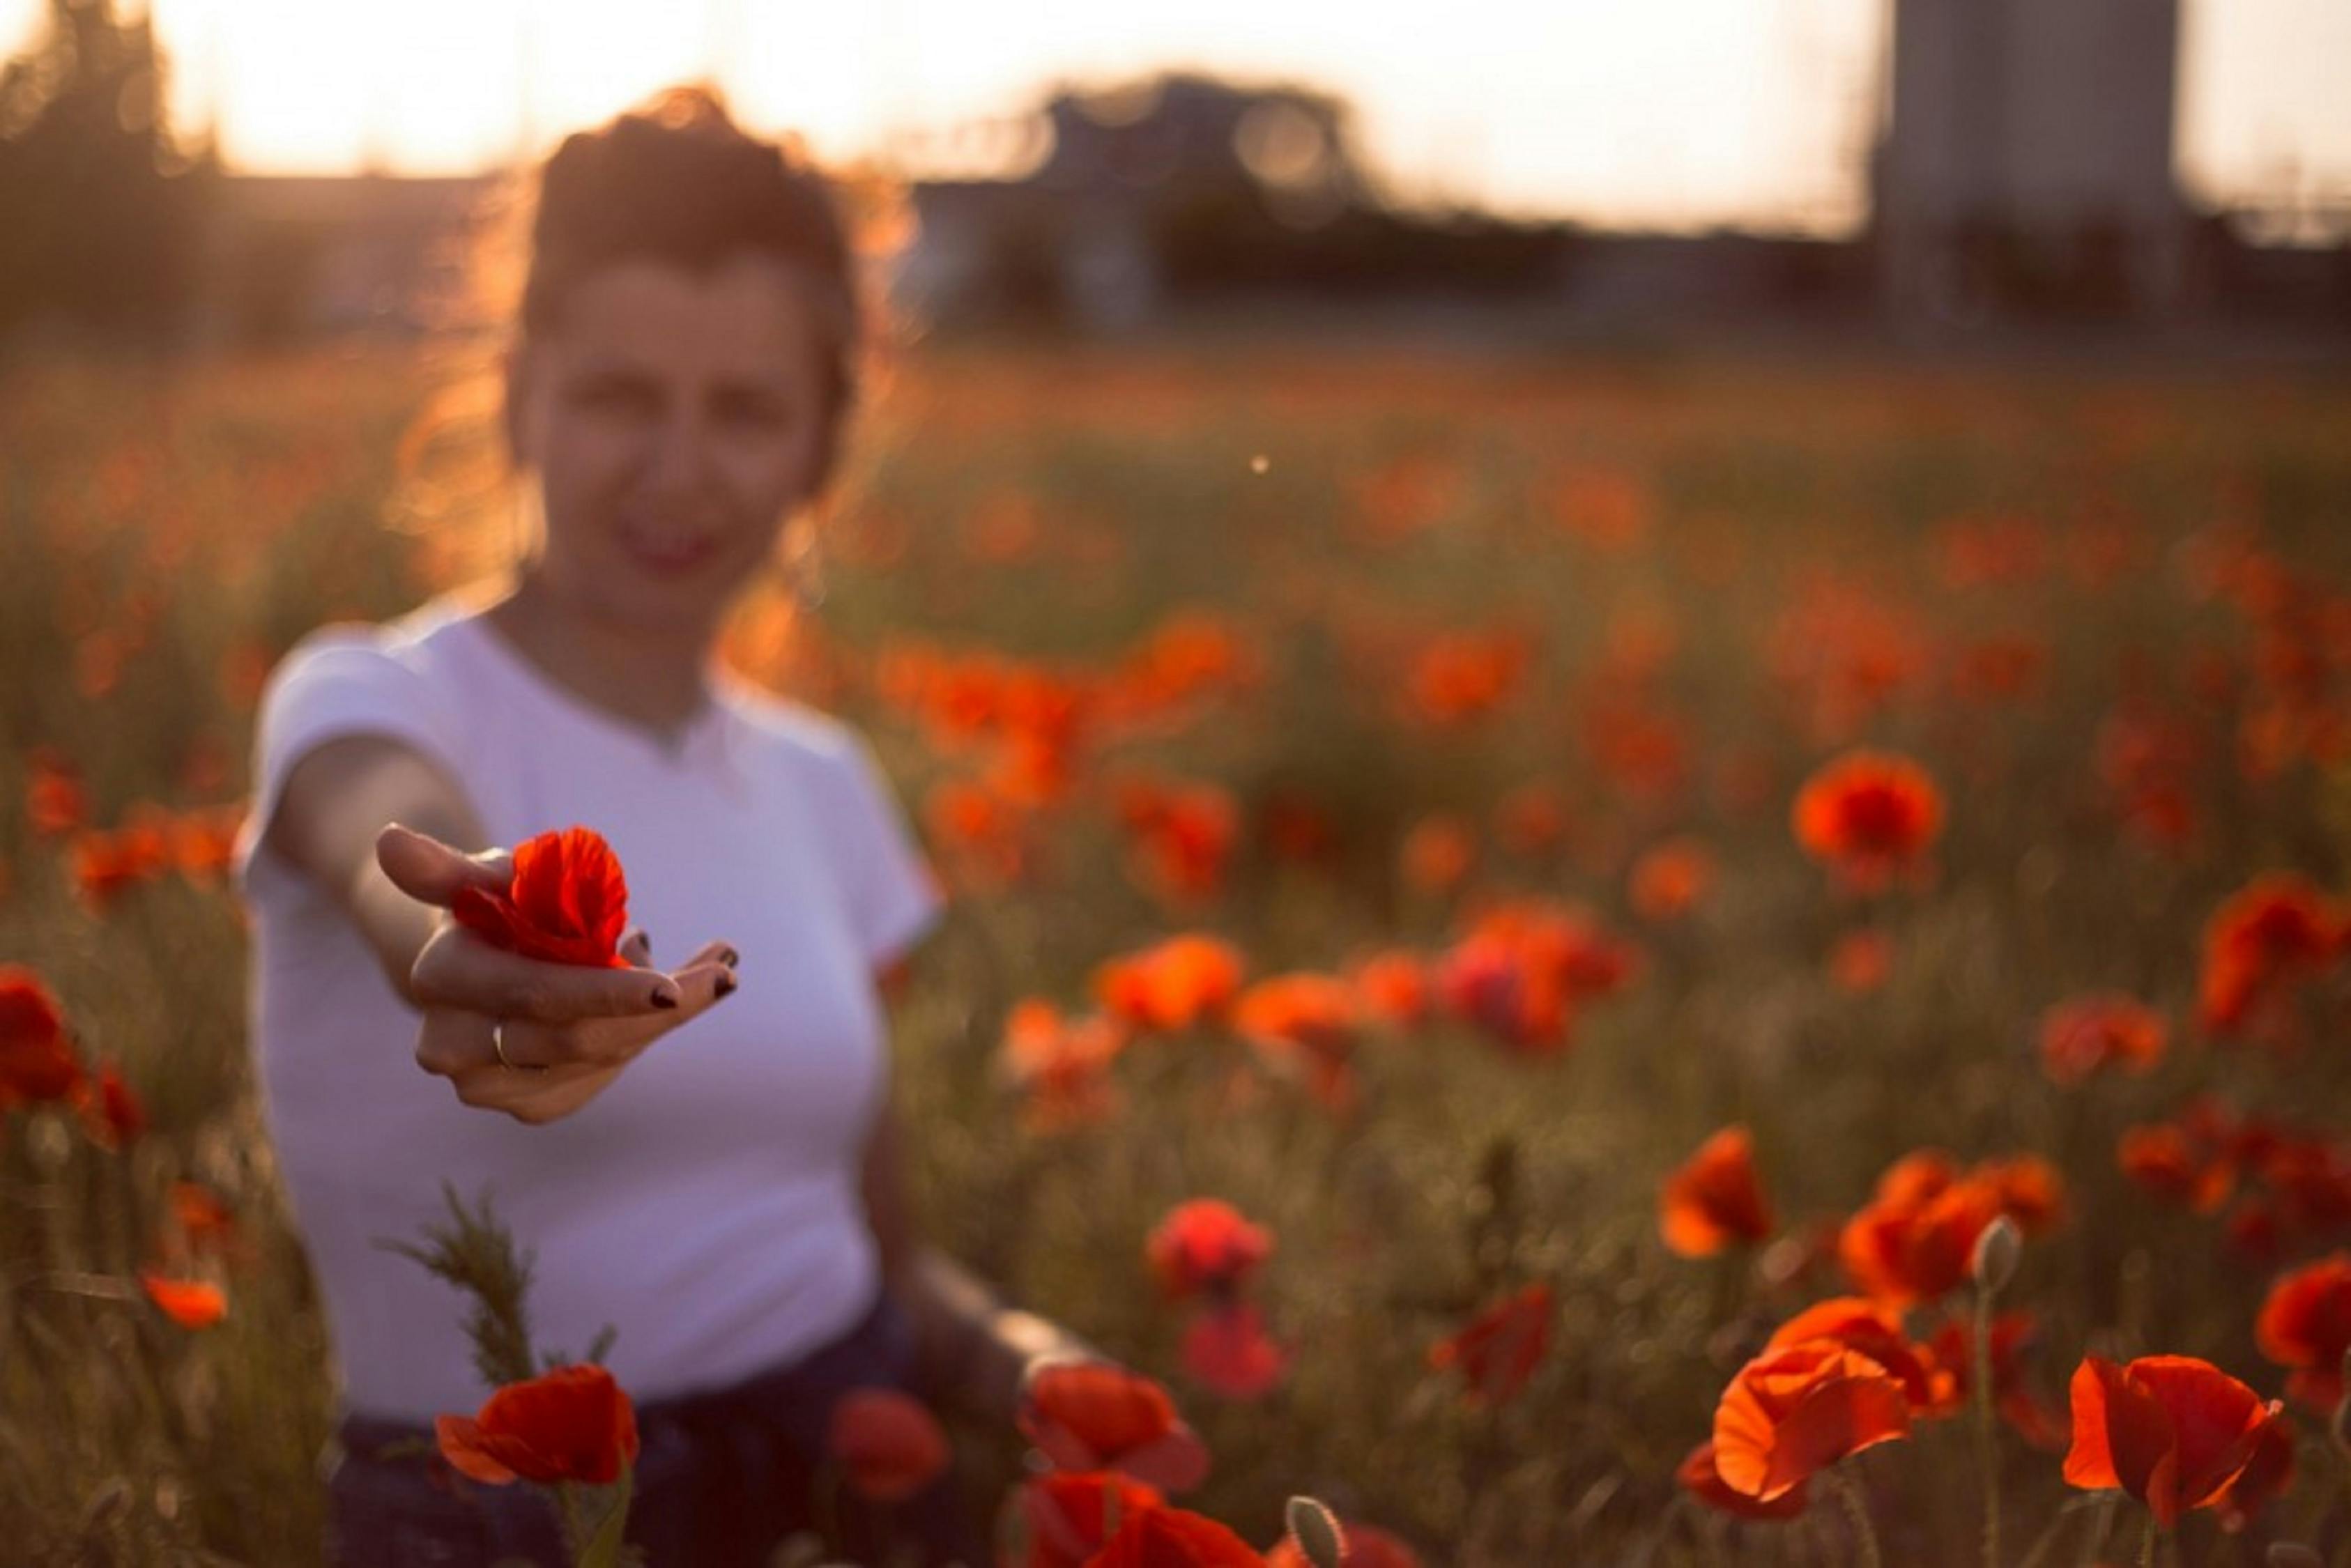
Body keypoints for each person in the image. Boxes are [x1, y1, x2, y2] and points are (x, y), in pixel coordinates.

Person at [233, 86, 1079, 1568]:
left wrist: (1030, 1364)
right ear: (519, 401)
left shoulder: (825, 783)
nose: (678, 469)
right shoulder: (371, 700)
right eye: (621, 395)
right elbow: (396, 853)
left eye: (745, 412)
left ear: (822, 450)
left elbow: (880, 1253)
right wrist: (468, 933)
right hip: (500, 1513)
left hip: (855, 1457)